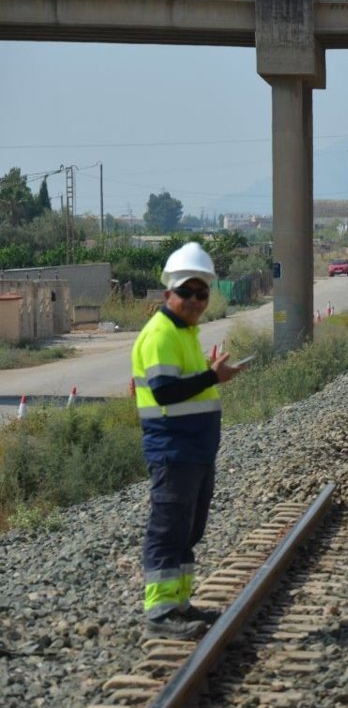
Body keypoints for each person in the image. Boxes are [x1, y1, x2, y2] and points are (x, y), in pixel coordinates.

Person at [131, 242, 245, 640]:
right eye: (187, 292)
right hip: (173, 450)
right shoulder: (161, 334)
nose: (195, 300)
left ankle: (179, 603)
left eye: (202, 293)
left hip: (195, 450)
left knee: (188, 529)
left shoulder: (184, 332)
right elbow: (164, 391)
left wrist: (212, 376)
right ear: (169, 294)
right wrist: (213, 377)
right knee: (168, 529)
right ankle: (161, 611)